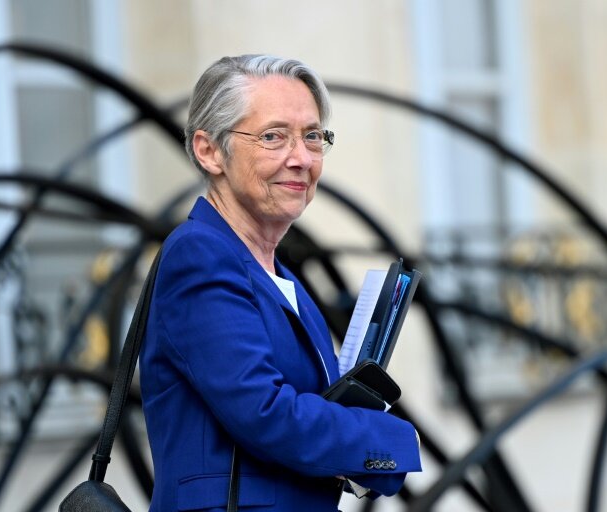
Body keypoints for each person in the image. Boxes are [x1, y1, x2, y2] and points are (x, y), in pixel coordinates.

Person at [140, 54, 422, 512]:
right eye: (273, 137)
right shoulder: (200, 254)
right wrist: (394, 439)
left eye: (313, 137)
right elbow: (263, 411)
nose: (301, 158)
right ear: (210, 150)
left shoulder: (282, 278)